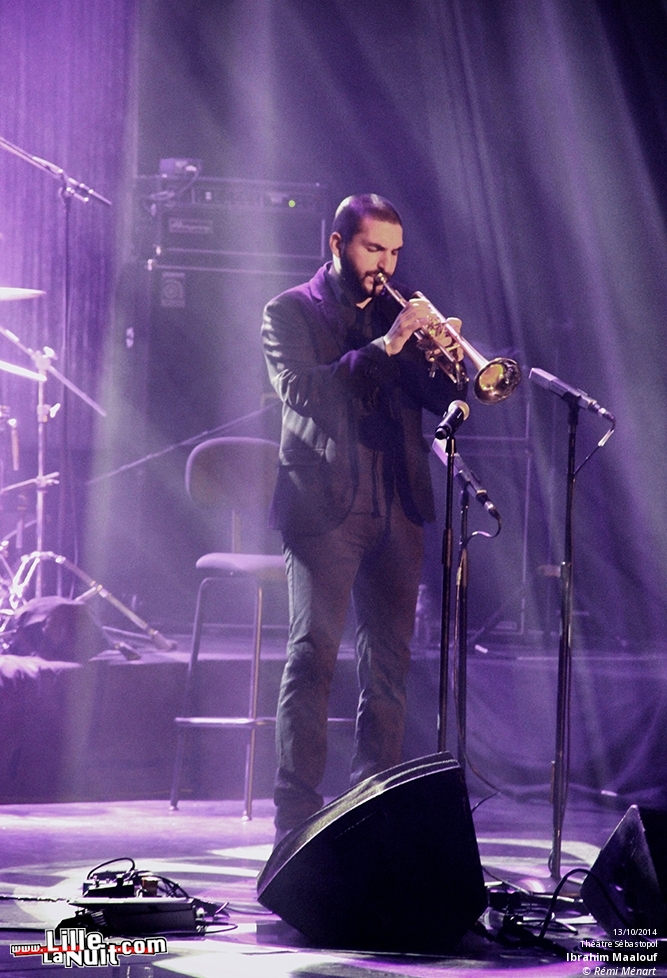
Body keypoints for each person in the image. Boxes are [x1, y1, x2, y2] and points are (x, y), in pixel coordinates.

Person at [261, 193, 467, 841]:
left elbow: (440, 399)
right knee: (313, 656)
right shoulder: (289, 310)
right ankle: (294, 817)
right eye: (372, 248)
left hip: (398, 502)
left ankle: (373, 807)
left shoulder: (395, 312)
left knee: (389, 663)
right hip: (323, 504)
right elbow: (304, 394)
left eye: (394, 251)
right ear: (336, 244)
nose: (384, 264)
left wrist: (446, 357)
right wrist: (388, 344)